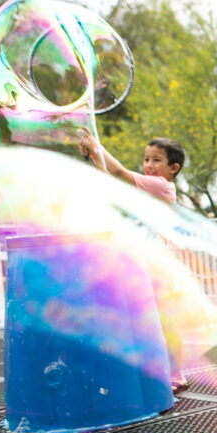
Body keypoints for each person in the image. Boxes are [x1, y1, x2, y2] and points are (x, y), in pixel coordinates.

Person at [78, 132, 190, 394]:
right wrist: (94, 155)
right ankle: (158, 371)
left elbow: (117, 172)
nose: (148, 165)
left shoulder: (162, 187)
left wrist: (98, 146)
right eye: (146, 158)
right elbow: (111, 177)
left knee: (162, 321)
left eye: (156, 160)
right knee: (143, 321)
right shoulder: (147, 187)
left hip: (155, 266)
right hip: (140, 263)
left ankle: (176, 374)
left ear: (173, 169)